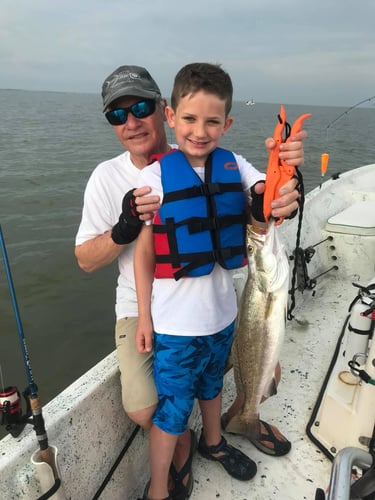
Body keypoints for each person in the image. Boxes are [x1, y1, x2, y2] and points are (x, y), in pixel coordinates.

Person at [74, 64, 305, 500]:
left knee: (214, 383)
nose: (131, 120)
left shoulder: (230, 163)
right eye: (118, 115)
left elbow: (265, 198)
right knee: (168, 408)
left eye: (140, 108)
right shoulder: (144, 178)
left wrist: (286, 176)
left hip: (222, 312)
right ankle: (161, 484)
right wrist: (144, 316)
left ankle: (219, 437)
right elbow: (133, 255)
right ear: (176, 115)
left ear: (160, 111)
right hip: (172, 321)